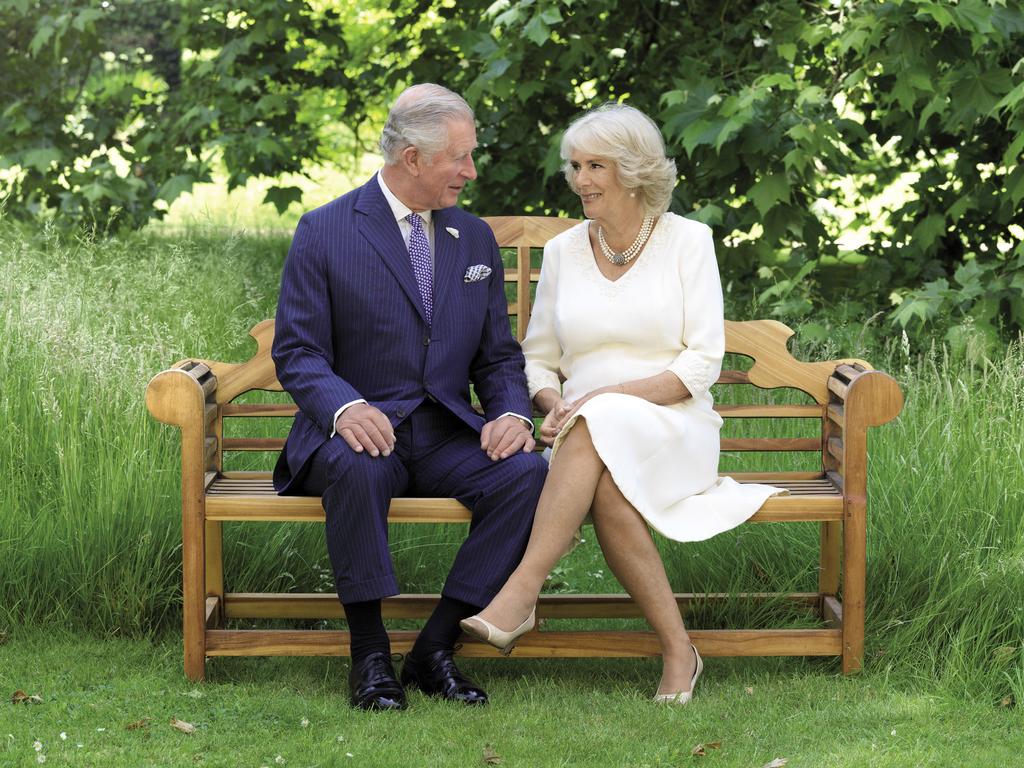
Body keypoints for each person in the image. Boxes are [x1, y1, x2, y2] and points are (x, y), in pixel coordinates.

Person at [460, 103, 782, 704]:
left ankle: (521, 589)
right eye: (576, 165)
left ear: (633, 172)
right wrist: (555, 402)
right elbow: (537, 358)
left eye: (596, 165)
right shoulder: (562, 253)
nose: (581, 179)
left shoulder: (689, 241)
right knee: (604, 475)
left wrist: (598, 399)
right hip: (589, 438)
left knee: (598, 417)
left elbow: (700, 364)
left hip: (675, 428)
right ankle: (678, 652)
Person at [271, 84, 547, 711]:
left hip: (443, 433)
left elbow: (498, 356)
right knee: (357, 464)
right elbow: (298, 353)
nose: (471, 172)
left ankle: (434, 647)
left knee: (526, 473)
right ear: (413, 159)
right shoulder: (325, 230)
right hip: (357, 432)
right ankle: (369, 656)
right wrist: (344, 407)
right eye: (461, 158)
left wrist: (509, 412)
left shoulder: (473, 238)